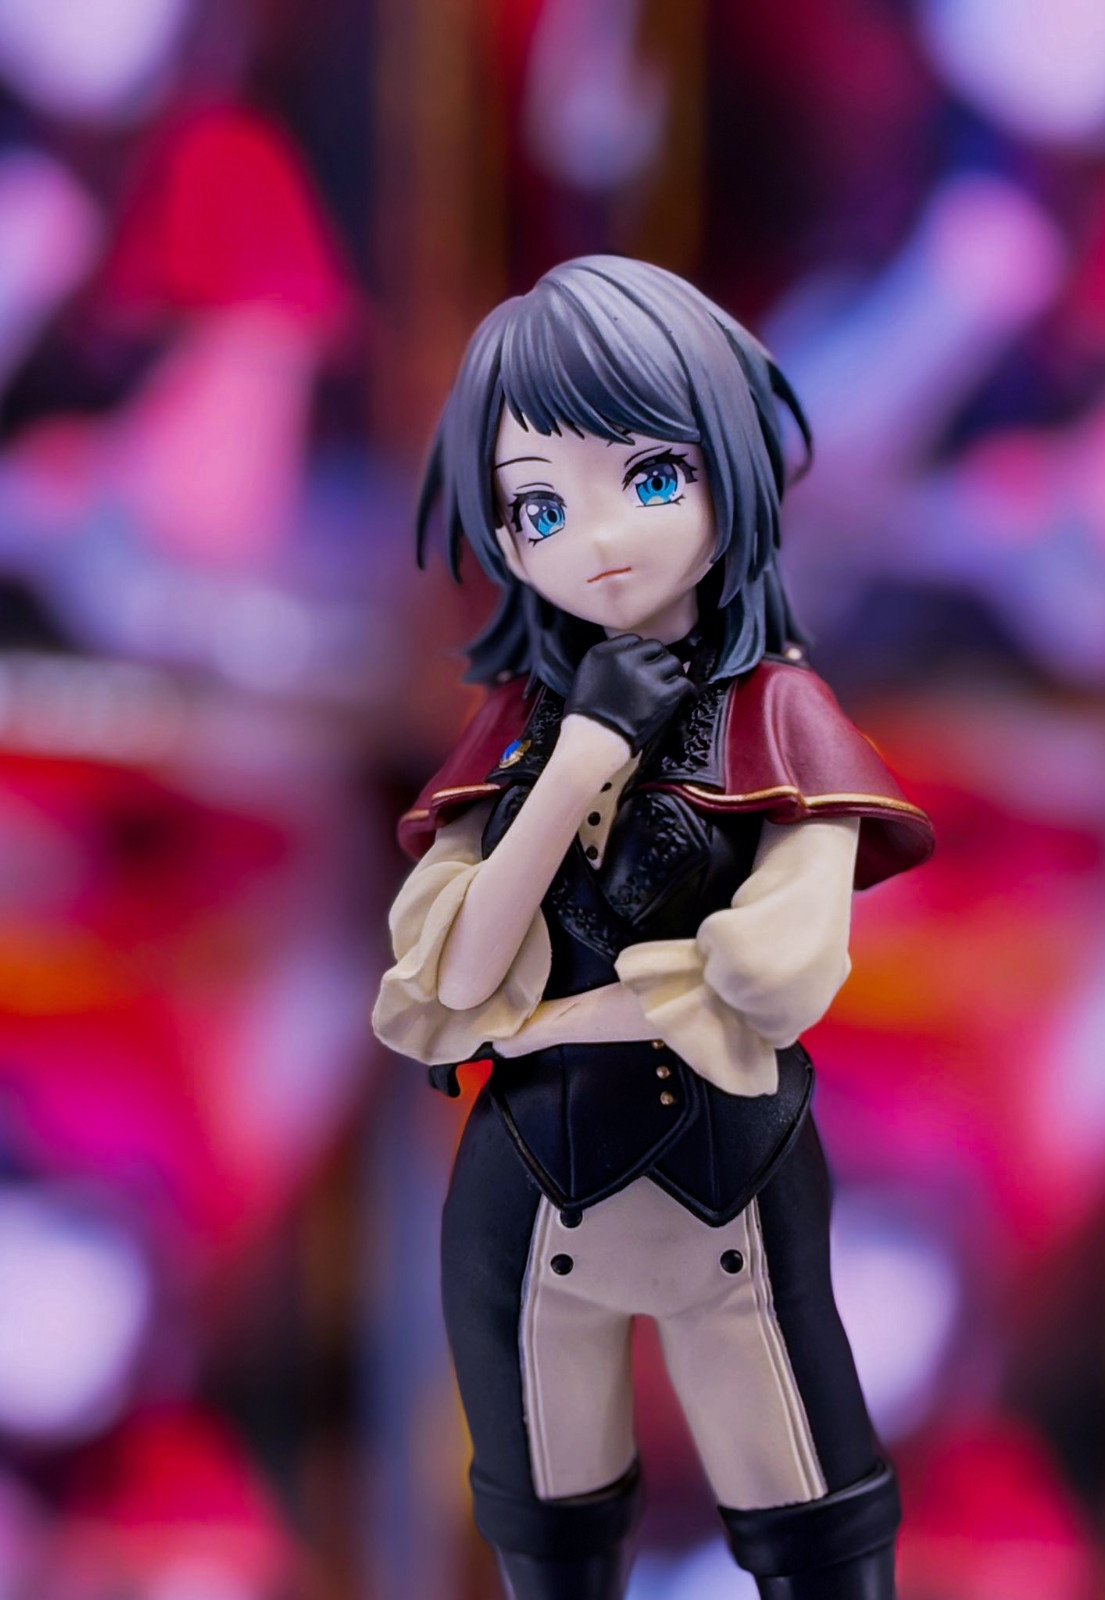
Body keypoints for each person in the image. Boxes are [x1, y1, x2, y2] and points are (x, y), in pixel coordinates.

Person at [372, 256, 934, 1600]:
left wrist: (547, 1010)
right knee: (546, 1536)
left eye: (652, 477)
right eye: (540, 507)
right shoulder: (514, 735)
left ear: (726, 468)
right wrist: (579, 755)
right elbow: (446, 978)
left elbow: (773, 976)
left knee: (817, 1526)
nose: (599, 539)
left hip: (730, 1183)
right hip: (524, 1193)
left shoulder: (782, 717)